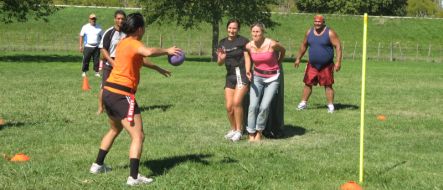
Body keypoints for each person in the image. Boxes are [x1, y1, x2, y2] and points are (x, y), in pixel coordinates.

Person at [89, 13, 181, 186]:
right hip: (122, 94)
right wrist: (167, 50)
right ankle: (133, 177)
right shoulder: (134, 43)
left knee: (115, 129)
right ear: (139, 29)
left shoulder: (123, 43)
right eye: (144, 27)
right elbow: (148, 52)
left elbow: (142, 60)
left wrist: (158, 69)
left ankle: (97, 165)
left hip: (109, 92)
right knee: (138, 135)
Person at [294, 15, 342, 113]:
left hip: (326, 65)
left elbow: (338, 46)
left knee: (328, 85)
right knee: (308, 84)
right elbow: (304, 45)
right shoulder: (309, 32)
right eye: (315, 21)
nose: (317, 23)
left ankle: (330, 106)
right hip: (312, 65)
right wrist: (298, 58)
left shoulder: (330, 33)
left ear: (323, 22)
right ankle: (303, 103)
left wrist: (338, 62)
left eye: (319, 22)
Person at [245, 23, 285, 142]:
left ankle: (259, 132)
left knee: (264, 106)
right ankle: (251, 133)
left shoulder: (271, 44)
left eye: (258, 32)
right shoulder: (249, 46)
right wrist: (248, 69)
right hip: (257, 77)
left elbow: (283, 50)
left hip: (272, 78)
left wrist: (278, 62)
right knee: (253, 106)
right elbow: (247, 55)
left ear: (263, 32)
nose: (255, 34)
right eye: (253, 32)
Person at [216, 19, 251, 142]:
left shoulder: (243, 41)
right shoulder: (222, 43)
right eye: (230, 28)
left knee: (237, 103)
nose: (232, 30)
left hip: (241, 74)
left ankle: (240, 131)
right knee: (229, 106)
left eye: (234, 28)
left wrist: (247, 71)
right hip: (230, 76)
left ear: (238, 29)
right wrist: (222, 58)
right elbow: (219, 63)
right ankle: (233, 129)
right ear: (227, 29)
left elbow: (247, 57)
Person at [97, 10, 126, 115]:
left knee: (120, 87)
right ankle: (100, 108)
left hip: (122, 64)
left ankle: (119, 107)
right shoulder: (109, 32)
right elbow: (103, 49)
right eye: (118, 18)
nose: (120, 20)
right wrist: (111, 62)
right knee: (105, 87)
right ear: (115, 19)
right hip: (109, 63)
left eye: (122, 18)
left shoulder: (127, 33)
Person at [79, 13, 103, 77]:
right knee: (86, 59)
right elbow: (81, 36)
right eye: (92, 19)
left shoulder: (99, 27)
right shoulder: (85, 27)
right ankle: (84, 71)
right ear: (89, 19)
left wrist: (102, 46)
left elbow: (102, 37)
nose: (93, 20)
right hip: (87, 46)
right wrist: (80, 46)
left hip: (96, 46)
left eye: (94, 19)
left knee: (96, 60)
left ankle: (97, 72)